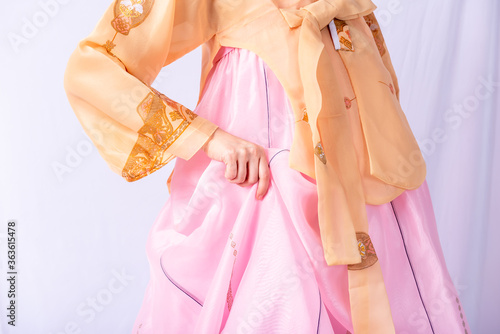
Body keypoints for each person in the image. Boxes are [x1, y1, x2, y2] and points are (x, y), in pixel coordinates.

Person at [63, 0, 471, 332]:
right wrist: (208, 137)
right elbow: (94, 67)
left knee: (395, 293)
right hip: (265, 164)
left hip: (367, 163)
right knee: (274, 297)